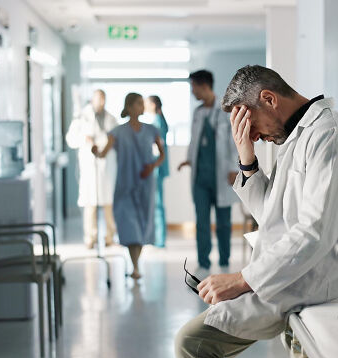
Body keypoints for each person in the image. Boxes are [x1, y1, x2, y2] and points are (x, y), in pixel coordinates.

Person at [174, 65, 338, 358]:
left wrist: (242, 280)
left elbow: (315, 232)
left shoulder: (331, 135)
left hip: (320, 281)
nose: (254, 135)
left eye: (250, 124)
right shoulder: (298, 136)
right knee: (192, 340)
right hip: (292, 275)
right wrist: (246, 156)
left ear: (268, 99)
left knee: (191, 342)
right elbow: (273, 215)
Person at [94, 93, 166, 279]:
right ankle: (135, 266)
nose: (142, 107)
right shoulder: (117, 132)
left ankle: (135, 265)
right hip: (125, 185)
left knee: (141, 225)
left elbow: (162, 156)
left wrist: (153, 166)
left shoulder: (152, 130)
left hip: (145, 184)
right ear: (130, 106)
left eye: (143, 103)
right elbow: (103, 153)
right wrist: (96, 151)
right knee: (129, 224)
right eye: (139, 103)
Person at [178, 70, 239, 275]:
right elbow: (194, 141)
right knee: (202, 221)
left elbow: (233, 141)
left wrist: (233, 167)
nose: (192, 91)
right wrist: (189, 159)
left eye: (193, 87)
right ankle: (203, 262)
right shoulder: (197, 112)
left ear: (204, 86)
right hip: (201, 178)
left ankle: (224, 260)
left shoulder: (225, 110)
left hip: (221, 175)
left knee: (223, 222)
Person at [65, 89, 118, 249]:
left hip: (106, 165)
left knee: (108, 202)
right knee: (90, 204)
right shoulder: (82, 117)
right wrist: (85, 139)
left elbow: (115, 138)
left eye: (103, 99)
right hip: (89, 164)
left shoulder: (111, 118)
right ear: (92, 100)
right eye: (98, 99)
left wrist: (103, 143)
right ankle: (90, 238)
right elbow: (71, 139)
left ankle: (110, 237)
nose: (101, 102)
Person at [146, 95, 170, 248]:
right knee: (156, 203)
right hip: (157, 167)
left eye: (146, 103)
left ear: (153, 105)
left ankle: (159, 239)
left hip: (156, 167)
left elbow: (156, 148)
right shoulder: (159, 121)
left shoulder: (157, 122)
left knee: (157, 203)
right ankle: (158, 238)